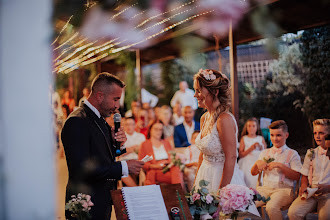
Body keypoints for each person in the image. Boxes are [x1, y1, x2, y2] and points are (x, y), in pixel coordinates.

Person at [61, 73, 144, 220]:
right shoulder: (76, 121)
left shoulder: (100, 118)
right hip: (85, 204)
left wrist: (117, 144)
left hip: (101, 198)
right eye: (115, 99)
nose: (118, 106)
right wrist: (124, 167)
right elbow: (82, 168)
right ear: (100, 96)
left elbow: (101, 154)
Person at [192, 68, 259, 215]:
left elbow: (231, 158)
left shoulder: (224, 119)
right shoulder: (204, 118)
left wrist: (220, 197)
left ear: (214, 92)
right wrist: (196, 182)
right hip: (204, 175)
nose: (195, 95)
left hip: (222, 177)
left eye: (198, 91)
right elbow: (202, 154)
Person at [251, 120, 302, 220]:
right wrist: (257, 163)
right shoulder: (264, 153)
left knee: (271, 207)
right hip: (265, 189)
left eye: (278, 135)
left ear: (286, 135)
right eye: (272, 135)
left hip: (284, 190)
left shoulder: (292, 154)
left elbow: (297, 176)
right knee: (247, 202)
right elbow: (253, 173)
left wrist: (280, 166)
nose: (275, 139)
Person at [288, 119, 330, 220]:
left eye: (321, 133)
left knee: (325, 216)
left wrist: (327, 188)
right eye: (315, 133)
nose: (317, 136)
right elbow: (305, 174)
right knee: (293, 213)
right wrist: (303, 186)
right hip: (312, 192)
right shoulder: (311, 152)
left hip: (328, 193)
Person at [138, 120, 184, 186]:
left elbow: (172, 157)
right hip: (155, 170)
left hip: (169, 167)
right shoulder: (144, 144)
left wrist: (171, 162)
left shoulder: (166, 142)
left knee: (176, 169)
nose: (158, 132)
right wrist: (154, 166)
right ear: (150, 129)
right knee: (178, 175)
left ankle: (178, 193)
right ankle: (179, 194)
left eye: (160, 130)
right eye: (156, 129)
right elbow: (141, 162)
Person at [238, 117, 266, 188]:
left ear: (257, 127)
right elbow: (241, 155)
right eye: (249, 126)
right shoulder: (244, 138)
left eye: (253, 126)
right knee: (247, 177)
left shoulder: (260, 138)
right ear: (246, 127)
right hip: (247, 162)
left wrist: (261, 147)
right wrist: (251, 148)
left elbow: (265, 152)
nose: (251, 128)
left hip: (257, 161)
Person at [118, 117, 146, 186]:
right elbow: (119, 153)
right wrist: (134, 148)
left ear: (134, 125)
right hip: (124, 162)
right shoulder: (120, 137)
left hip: (138, 161)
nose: (129, 127)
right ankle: (135, 188)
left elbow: (143, 151)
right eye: (127, 124)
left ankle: (134, 189)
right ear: (123, 126)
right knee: (122, 170)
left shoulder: (141, 136)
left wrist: (127, 150)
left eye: (131, 124)